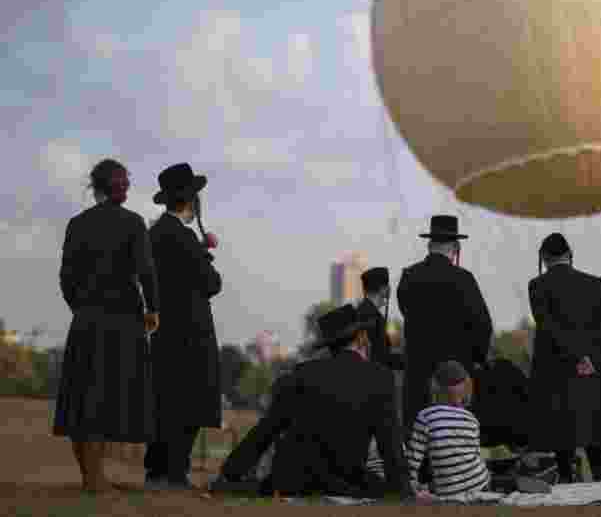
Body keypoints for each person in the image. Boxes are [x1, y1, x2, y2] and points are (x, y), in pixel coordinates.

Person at [214, 304, 419, 500]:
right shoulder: (380, 378)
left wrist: (230, 472)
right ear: (362, 337)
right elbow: (390, 445)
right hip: (346, 481)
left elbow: (266, 431)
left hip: (291, 480)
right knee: (377, 486)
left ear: (330, 345)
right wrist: (403, 490)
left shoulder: (303, 374)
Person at [53, 159, 160, 493]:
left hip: (86, 319)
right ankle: (95, 480)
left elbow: (66, 277)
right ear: (109, 186)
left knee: (82, 399)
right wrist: (153, 309)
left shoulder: (77, 224)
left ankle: (91, 476)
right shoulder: (133, 223)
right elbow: (146, 271)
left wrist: (81, 308)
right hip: (122, 320)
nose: (127, 186)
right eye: (123, 181)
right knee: (105, 399)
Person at [145, 163, 223, 490]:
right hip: (191, 333)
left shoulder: (153, 234)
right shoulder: (185, 238)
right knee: (189, 403)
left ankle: (156, 471)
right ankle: (176, 473)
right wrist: (205, 256)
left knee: (164, 401)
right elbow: (211, 284)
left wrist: (200, 251)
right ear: (190, 200)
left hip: (163, 333)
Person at [527, 232, 601, 483]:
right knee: (593, 430)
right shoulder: (595, 284)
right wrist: (589, 358)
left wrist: (576, 355)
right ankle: (600, 478)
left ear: (544, 258)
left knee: (562, 436)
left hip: (557, 372)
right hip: (590, 372)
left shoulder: (537, 286)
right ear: (570, 256)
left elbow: (548, 327)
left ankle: (567, 480)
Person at [397, 215, 493, 437]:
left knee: (419, 438)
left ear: (430, 246)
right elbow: (483, 326)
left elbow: (406, 313)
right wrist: (476, 359)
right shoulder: (464, 279)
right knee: (453, 437)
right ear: (456, 248)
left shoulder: (409, 276)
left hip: (418, 375)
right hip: (454, 376)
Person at [407, 361, 552, 500]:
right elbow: (474, 454)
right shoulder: (470, 418)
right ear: (466, 389)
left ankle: (502, 483)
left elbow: (413, 458)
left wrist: (412, 486)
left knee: (435, 484)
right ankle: (510, 483)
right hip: (478, 483)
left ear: (435, 387)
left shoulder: (425, 416)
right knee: (488, 478)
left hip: (447, 490)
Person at [358, 267, 403, 371]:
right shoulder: (372, 316)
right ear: (384, 289)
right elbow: (381, 357)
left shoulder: (364, 311)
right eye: (387, 285)